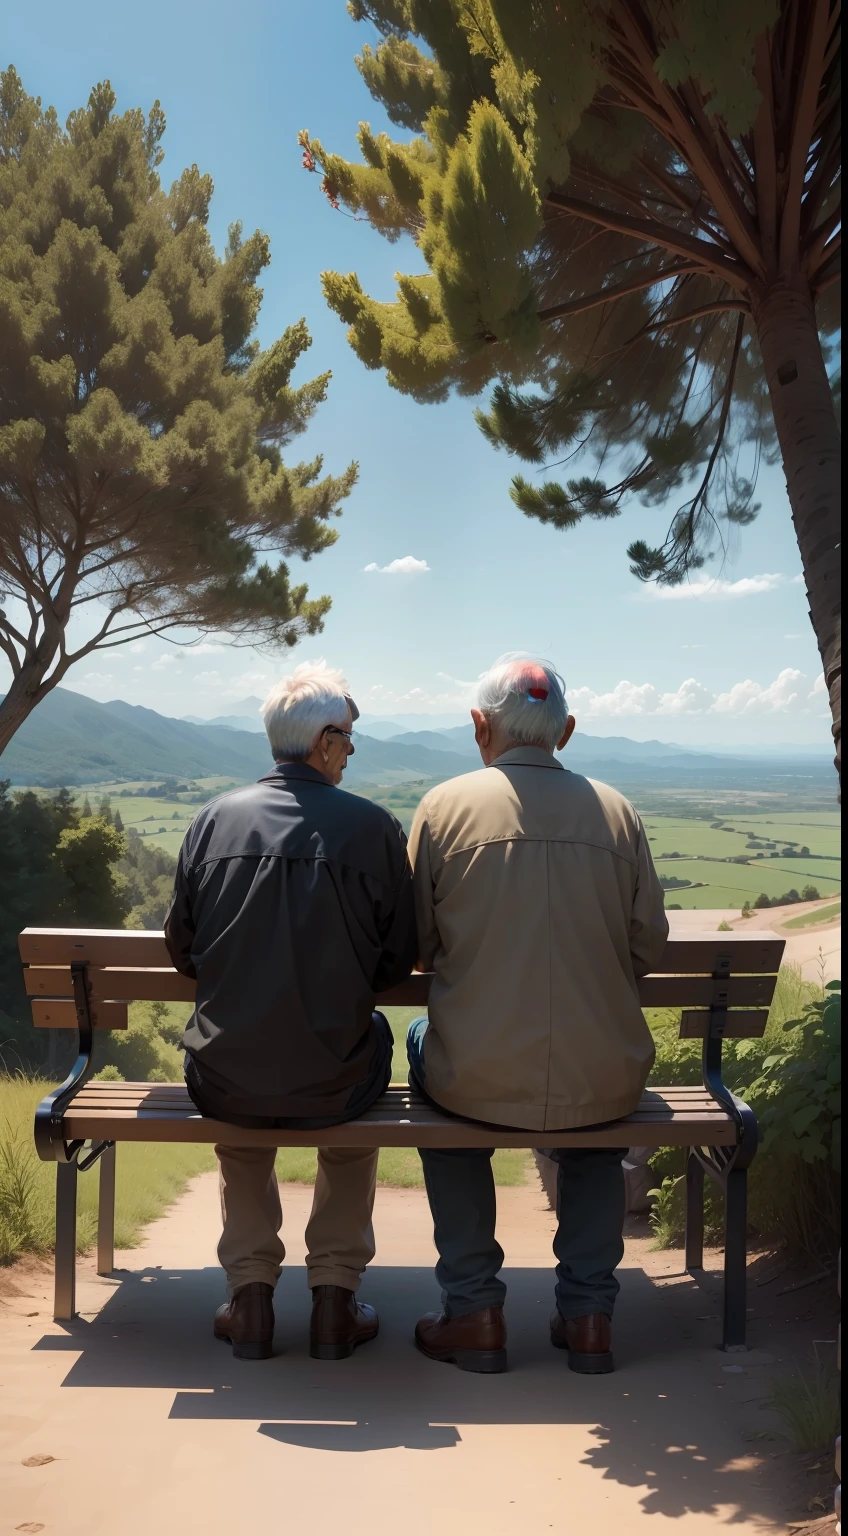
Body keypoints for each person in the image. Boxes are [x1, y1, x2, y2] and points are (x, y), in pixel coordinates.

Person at [406, 653, 668, 1376]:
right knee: (592, 1128)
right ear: (568, 731)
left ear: (478, 727)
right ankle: (589, 1317)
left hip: (474, 1074)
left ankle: (475, 1312)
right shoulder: (619, 812)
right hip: (601, 1069)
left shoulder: (442, 807)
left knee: (427, 1062)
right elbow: (647, 943)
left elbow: (414, 945)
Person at [165, 661, 417, 1362]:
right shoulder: (372, 828)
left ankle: (249, 1297)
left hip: (226, 1078)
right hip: (334, 1081)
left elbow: (182, 950)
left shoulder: (212, 821)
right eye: (350, 738)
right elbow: (397, 962)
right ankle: (335, 1296)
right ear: (325, 742)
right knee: (358, 1075)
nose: (354, 751)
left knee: (239, 1092)